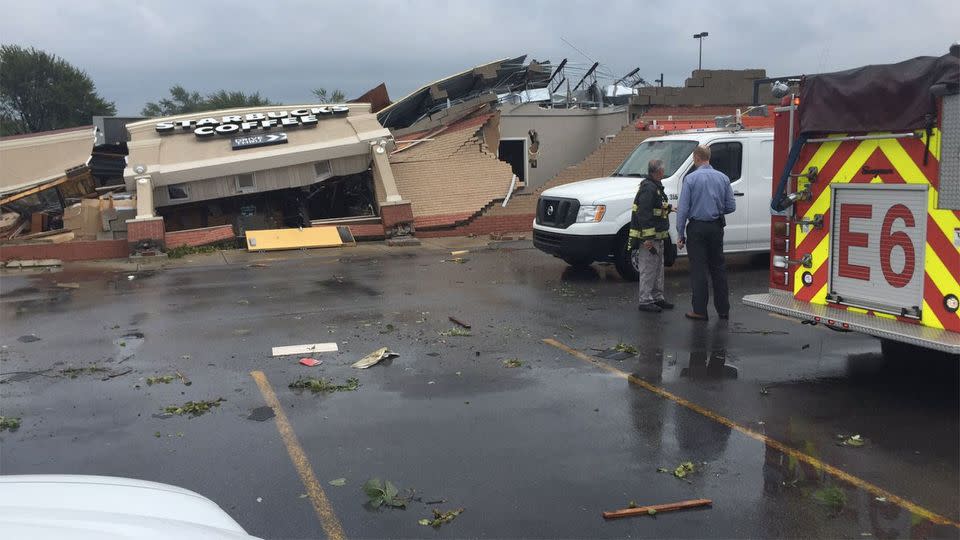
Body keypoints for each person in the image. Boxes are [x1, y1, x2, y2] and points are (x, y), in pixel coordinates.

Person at [676, 145, 736, 321]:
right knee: (718, 268)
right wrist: (716, 208)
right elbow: (731, 206)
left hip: (697, 228)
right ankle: (723, 310)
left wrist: (680, 234)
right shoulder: (723, 178)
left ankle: (700, 311)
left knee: (699, 270)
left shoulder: (691, 179)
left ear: (696, 158)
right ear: (708, 157)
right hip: (716, 227)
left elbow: (683, 210)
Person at [628, 159, 674, 313]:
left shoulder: (655, 187)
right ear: (658, 172)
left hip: (658, 237)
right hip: (650, 239)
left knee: (657, 268)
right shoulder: (649, 188)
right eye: (663, 170)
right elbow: (644, 213)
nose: (664, 172)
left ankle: (657, 297)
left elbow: (656, 207)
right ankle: (645, 300)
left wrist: (669, 207)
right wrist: (647, 238)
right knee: (648, 269)